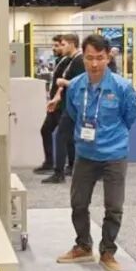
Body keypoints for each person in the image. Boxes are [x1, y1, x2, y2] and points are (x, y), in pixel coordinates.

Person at [55, 34, 136, 271]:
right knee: (78, 203)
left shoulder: (122, 87)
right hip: (85, 153)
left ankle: (108, 251)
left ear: (108, 57)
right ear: (83, 56)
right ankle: (83, 245)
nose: (94, 64)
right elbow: (73, 112)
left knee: (114, 207)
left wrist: (111, 136)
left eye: (99, 58)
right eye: (89, 58)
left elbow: (129, 117)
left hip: (114, 153)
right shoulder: (75, 86)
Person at [43, 34, 83, 184]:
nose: (61, 47)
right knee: (66, 137)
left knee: (62, 136)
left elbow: (81, 83)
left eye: (63, 44)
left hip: (74, 105)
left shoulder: (79, 61)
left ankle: (59, 172)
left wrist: (64, 82)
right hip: (67, 104)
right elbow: (63, 85)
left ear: (72, 44)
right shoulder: (69, 61)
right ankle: (67, 168)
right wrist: (56, 98)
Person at [34, 35, 72, 175]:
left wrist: (58, 98)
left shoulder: (69, 62)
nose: (54, 48)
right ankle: (49, 162)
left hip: (62, 105)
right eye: (54, 45)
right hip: (55, 105)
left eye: (58, 45)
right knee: (46, 130)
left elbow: (65, 83)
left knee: (64, 136)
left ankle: (67, 166)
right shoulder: (59, 61)